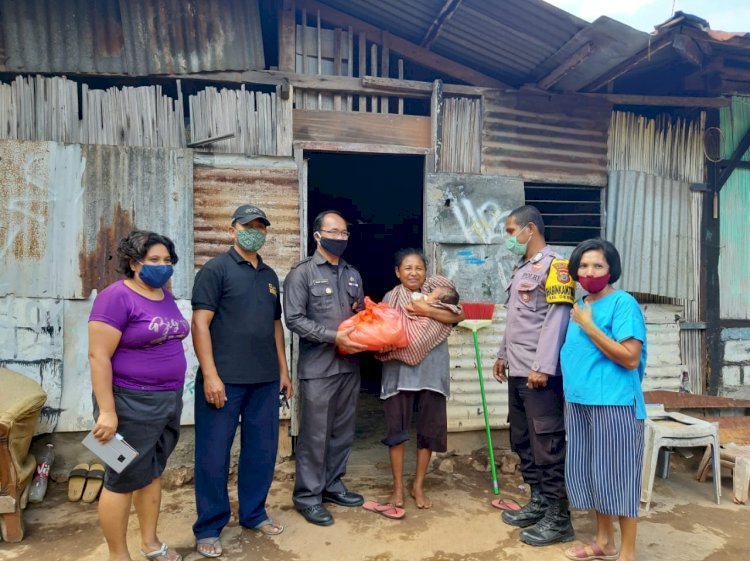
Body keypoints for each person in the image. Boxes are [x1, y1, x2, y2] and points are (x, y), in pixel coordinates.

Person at [190, 204, 292, 557]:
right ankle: (208, 527)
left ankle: (253, 513)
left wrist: (283, 370)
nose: (255, 232)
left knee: (261, 453)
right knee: (213, 456)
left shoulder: (269, 276)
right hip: (224, 382)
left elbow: (275, 325)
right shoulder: (215, 271)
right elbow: (200, 324)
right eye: (248, 226)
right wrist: (210, 375)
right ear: (231, 230)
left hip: (264, 381)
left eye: (260, 227)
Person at [88, 230, 189, 561]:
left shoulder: (164, 293)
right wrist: (107, 412)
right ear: (133, 263)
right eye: (154, 260)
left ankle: (150, 544)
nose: (163, 266)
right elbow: (98, 356)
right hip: (127, 403)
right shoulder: (115, 297)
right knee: (121, 478)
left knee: (152, 472)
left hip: (167, 400)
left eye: (167, 260)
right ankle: (119, 555)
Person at [492, 205, 575, 546]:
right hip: (518, 369)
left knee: (547, 442)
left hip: (540, 375)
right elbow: (518, 320)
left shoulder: (558, 267)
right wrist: (501, 355)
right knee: (523, 439)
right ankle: (539, 502)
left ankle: (559, 518)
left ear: (530, 229)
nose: (508, 238)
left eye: (511, 231)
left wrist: (542, 366)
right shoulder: (522, 268)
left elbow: (557, 319)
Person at [560, 239, 647, 561]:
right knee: (596, 474)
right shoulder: (582, 304)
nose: (589, 271)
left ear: (611, 270)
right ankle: (603, 542)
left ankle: (627, 553)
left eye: (598, 265)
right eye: (583, 265)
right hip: (581, 402)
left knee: (620, 477)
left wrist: (588, 325)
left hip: (615, 402)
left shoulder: (623, 303)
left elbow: (629, 358)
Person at [283, 210, 367, 526]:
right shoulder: (302, 274)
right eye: (335, 232)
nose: (341, 238)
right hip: (318, 368)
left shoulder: (352, 274)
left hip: (349, 366)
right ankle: (308, 496)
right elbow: (293, 319)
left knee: (342, 432)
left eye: (345, 233)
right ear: (317, 235)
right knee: (315, 436)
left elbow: (360, 314)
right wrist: (334, 336)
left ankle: (332, 485)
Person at [376, 249, 464, 510]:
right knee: (397, 431)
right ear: (397, 272)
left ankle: (418, 486)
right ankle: (398, 489)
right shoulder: (391, 298)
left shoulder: (437, 294)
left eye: (419, 268)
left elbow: (457, 316)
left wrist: (425, 309)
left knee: (428, 430)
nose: (414, 273)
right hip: (398, 371)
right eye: (408, 268)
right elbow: (382, 331)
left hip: (432, 371)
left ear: (426, 271)